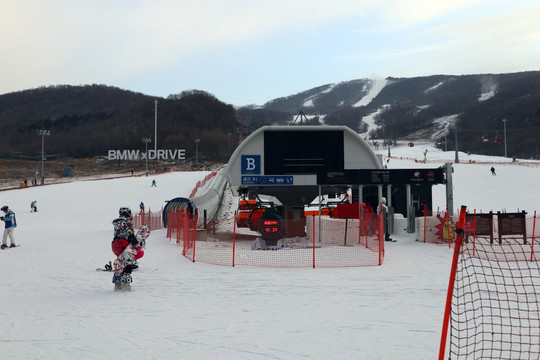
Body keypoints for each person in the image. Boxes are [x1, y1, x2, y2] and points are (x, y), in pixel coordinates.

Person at [111, 207, 140, 288]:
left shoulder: (116, 222)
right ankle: (126, 282)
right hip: (125, 243)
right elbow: (130, 233)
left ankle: (117, 281)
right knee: (128, 263)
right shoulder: (128, 222)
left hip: (115, 244)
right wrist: (135, 243)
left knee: (120, 261)